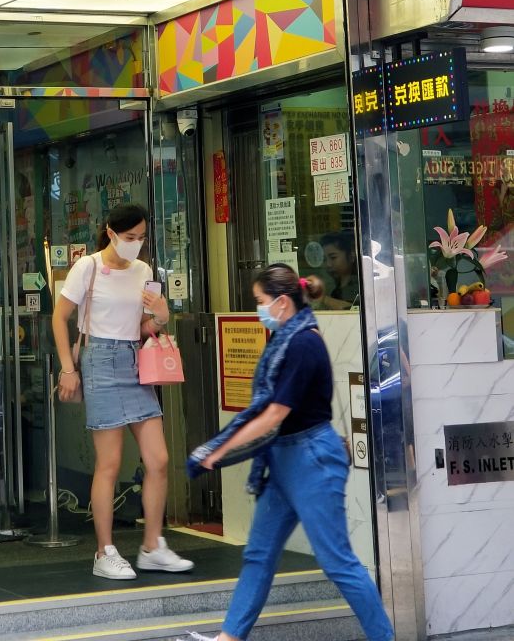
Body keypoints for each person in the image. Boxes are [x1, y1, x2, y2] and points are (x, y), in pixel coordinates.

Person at [187, 264, 393, 641]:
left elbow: (274, 413)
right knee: (259, 554)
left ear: (282, 302)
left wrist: (220, 448)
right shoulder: (284, 339)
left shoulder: (302, 344)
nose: (258, 310)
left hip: (313, 459)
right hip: (285, 458)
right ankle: (228, 638)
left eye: (260, 302)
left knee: (338, 562)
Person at [52, 203, 194, 581]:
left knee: (159, 459)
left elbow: (144, 327)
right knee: (109, 463)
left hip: (134, 359)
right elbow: (59, 316)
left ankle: (151, 546)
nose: (136, 244)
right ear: (110, 232)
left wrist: (161, 315)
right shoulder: (89, 266)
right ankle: (104, 551)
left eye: (142, 237)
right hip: (99, 361)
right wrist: (69, 368)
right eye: (130, 237)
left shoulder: (144, 271)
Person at [315, 231, 360, 309]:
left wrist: (323, 299)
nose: (328, 264)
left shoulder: (361, 287)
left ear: (351, 256)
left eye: (333, 257)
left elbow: (353, 311)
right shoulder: (336, 291)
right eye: (324, 259)